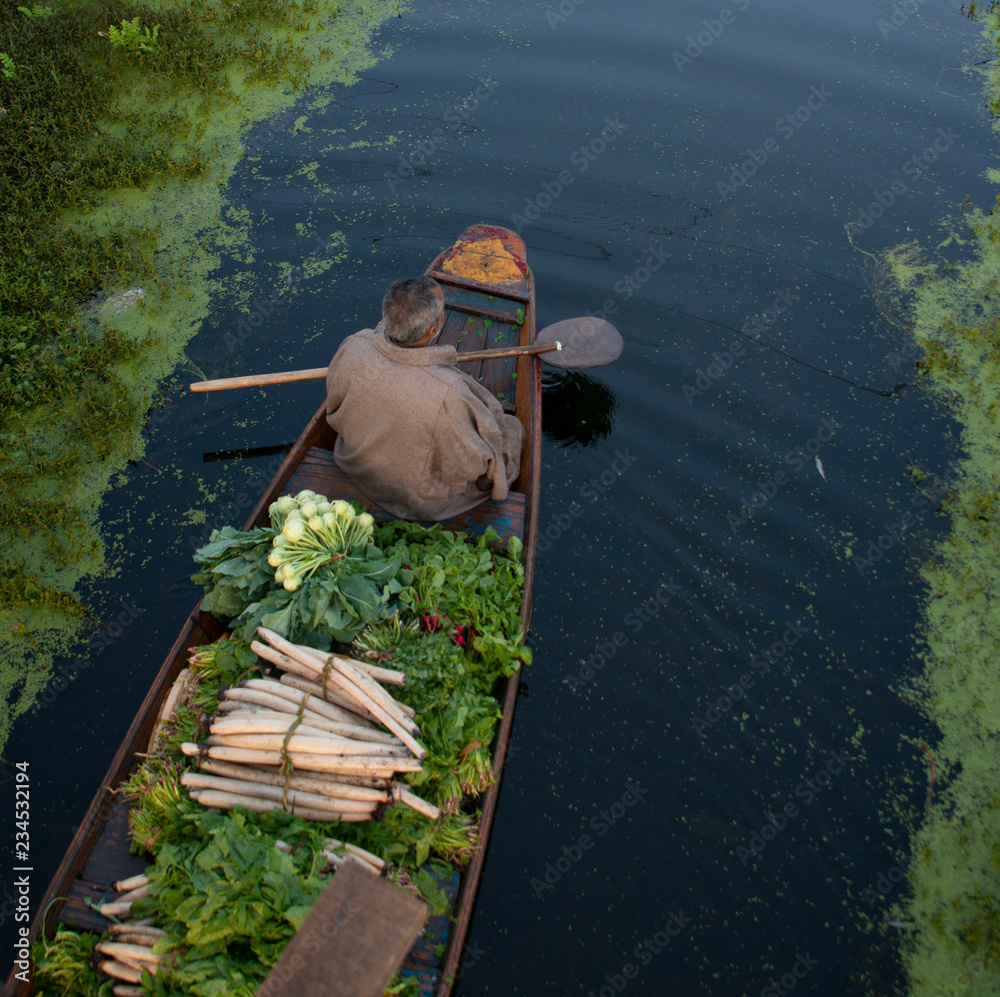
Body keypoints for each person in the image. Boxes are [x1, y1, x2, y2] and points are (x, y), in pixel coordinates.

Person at [325, 276, 524, 521]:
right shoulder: (450, 394)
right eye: (442, 312)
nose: (443, 315)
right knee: (513, 427)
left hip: (351, 463)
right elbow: (474, 467)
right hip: (416, 502)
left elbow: (334, 406)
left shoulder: (355, 343)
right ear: (432, 331)